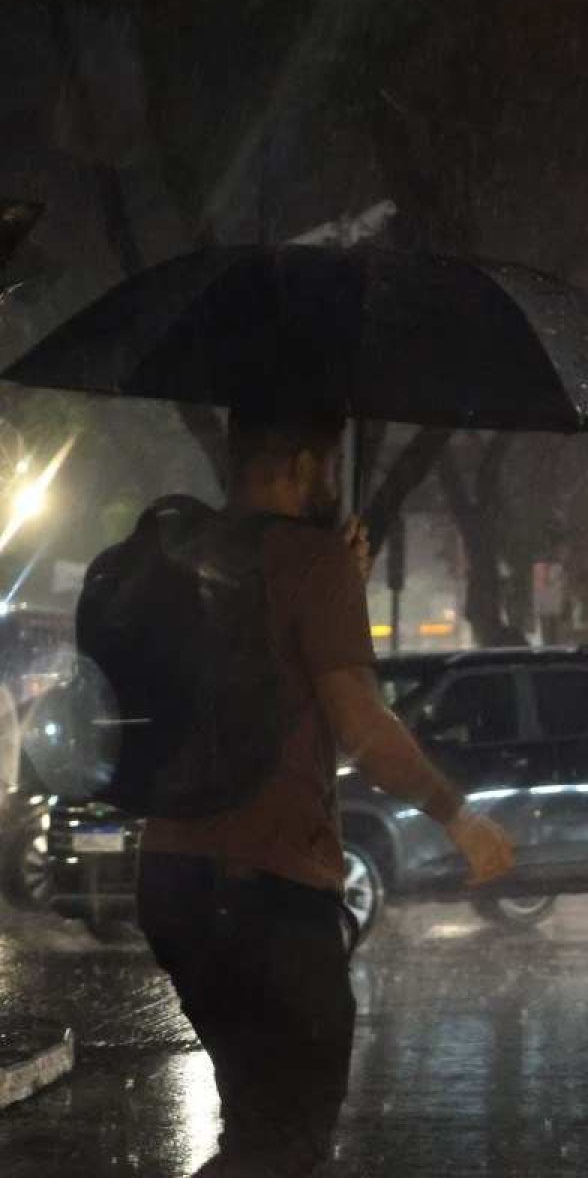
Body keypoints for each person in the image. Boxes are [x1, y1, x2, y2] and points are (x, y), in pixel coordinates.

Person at [136, 402, 515, 1178]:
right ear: (303, 466)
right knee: (287, 1142)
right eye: (330, 467)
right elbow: (362, 730)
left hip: (173, 879)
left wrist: (343, 584)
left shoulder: (182, 555)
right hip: (270, 891)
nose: (333, 483)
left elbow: (248, 675)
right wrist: (457, 815)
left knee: (255, 1127)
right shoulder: (309, 563)